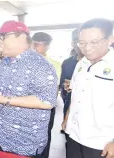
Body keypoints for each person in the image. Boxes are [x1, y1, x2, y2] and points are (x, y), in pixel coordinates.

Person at [0, 20, 58, 157]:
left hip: (25, 142)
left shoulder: (40, 65)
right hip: (1, 136)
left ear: (21, 37)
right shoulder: (4, 62)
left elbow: (47, 101)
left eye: (3, 37)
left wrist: (4, 100)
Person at [62, 18, 114, 158]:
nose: (87, 47)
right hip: (74, 136)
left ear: (110, 40)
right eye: (82, 43)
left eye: (94, 42)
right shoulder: (81, 63)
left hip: (102, 142)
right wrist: (67, 117)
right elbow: (75, 94)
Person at [32, 32, 60, 158]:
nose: (33, 48)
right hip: (25, 107)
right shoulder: (23, 61)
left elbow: (50, 92)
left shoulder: (54, 65)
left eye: (38, 45)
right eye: (32, 44)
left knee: (44, 137)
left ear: (47, 46)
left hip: (45, 108)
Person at [60, 29, 84, 118]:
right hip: (70, 106)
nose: (79, 46)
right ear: (72, 44)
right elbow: (63, 85)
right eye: (76, 42)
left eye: (82, 42)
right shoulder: (67, 63)